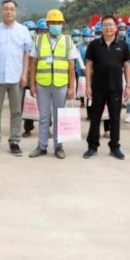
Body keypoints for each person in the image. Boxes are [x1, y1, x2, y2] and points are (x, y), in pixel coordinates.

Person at [0, 0, 33, 157]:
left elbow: (27, 54)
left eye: (11, 9)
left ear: (16, 12)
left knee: (16, 111)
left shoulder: (23, 30)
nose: (9, 12)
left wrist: (24, 75)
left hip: (16, 78)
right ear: (1, 11)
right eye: (6, 9)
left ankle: (14, 142)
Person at [28, 9, 77, 159]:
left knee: (59, 117)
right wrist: (32, 84)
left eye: (59, 23)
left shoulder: (68, 41)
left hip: (61, 85)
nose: (56, 25)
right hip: (42, 84)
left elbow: (71, 66)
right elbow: (33, 63)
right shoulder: (38, 40)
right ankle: (41, 146)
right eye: (53, 22)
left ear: (62, 24)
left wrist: (71, 87)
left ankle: (58, 146)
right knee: (44, 116)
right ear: (48, 24)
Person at [83, 15, 130, 160]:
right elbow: (89, 65)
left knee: (115, 118)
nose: (108, 27)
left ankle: (115, 147)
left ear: (116, 27)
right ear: (101, 28)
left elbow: (127, 65)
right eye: (105, 25)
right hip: (97, 87)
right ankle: (92, 146)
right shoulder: (94, 45)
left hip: (116, 87)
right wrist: (87, 86)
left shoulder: (123, 45)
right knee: (95, 117)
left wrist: (128, 85)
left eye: (111, 25)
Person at [22, 20, 37, 137]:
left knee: (46, 105)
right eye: (29, 30)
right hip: (26, 78)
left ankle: (47, 127)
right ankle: (28, 128)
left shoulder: (38, 42)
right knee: (28, 103)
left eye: (32, 30)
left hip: (40, 77)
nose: (31, 32)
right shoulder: (21, 43)